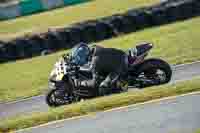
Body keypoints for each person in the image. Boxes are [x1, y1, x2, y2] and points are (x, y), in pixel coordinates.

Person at [70, 42, 137, 96]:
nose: (77, 60)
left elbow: (94, 83)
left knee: (102, 87)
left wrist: (81, 82)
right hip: (120, 55)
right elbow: (97, 65)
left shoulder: (95, 62)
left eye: (78, 58)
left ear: (82, 56)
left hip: (119, 66)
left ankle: (121, 91)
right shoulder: (94, 48)